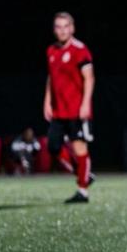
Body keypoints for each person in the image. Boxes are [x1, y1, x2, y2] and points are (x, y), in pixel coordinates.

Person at [43, 12, 95, 203]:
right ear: (54, 30)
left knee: (79, 147)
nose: (62, 30)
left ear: (72, 28)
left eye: (66, 26)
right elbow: (51, 78)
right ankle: (84, 174)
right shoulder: (51, 51)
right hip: (59, 111)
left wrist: (85, 104)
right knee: (53, 146)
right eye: (58, 26)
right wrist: (47, 101)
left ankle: (83, 191)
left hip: (76, 110)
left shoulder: (80, 50)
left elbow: (89, 78)